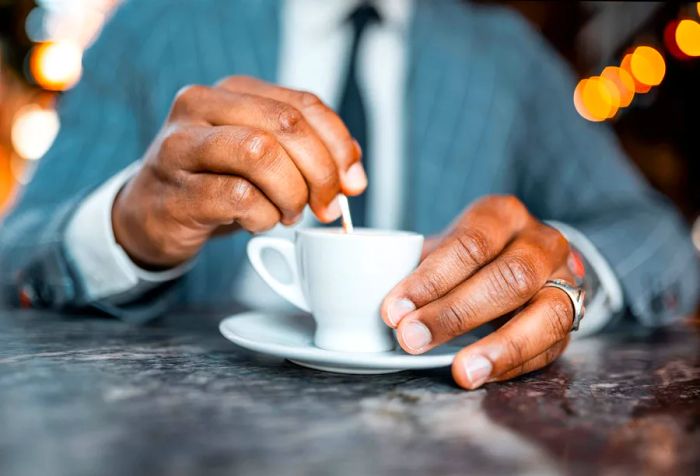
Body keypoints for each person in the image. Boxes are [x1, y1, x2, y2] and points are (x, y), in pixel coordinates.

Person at [0, 0, 697, 390]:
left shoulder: (507, 55)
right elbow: (17, 249)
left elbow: (655, 235)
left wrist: (565, 272)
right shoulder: (153, 25)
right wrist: (131, 224)